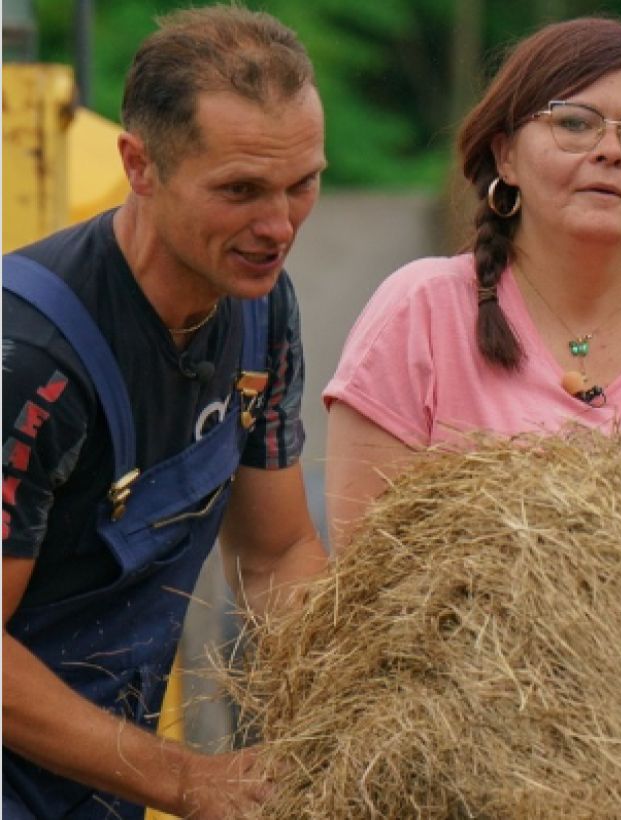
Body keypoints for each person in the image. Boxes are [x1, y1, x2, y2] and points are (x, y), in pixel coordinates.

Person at [2, 7, 328, 817]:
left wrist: (352, 693)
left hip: (101, 785)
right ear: (138, 166)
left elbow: (276, 551)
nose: (279, 225)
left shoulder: (260, 308)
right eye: (241, 190)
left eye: (303, 183)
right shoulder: (32, 355)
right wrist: (185, 778)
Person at [323, 16, 621, 550]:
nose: (610, 150)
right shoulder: (423, 311)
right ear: (506, 156)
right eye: (574, 123)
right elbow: (369, 580)